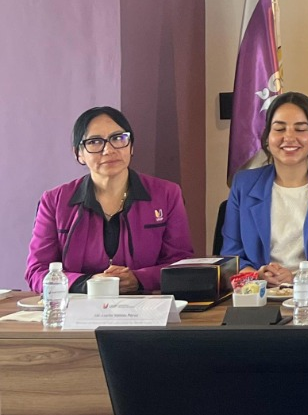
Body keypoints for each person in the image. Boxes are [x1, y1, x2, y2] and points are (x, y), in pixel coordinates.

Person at [26, 106, 193, 293]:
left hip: (147, 305)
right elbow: (37, 271)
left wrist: (140, 279)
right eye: (94, 142)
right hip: (78, 307)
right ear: (79, 154)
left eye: (118, 138)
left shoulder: (166, 194)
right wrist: (88, 283)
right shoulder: (55, 201)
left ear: (131, 146)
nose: (108, 150)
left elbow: (182, 264)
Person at [221, 91, 308, 288]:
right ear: (267, 135)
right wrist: (257, 277)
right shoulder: (244, 183)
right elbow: (232, 253)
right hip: (260, 294)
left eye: (300, 129)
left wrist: (299, 278)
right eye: (279, 129)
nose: (289, 137)